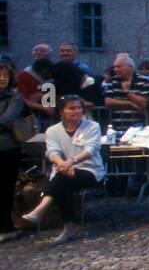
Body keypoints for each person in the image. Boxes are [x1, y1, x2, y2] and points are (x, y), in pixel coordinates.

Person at [22, 95, 105, 245]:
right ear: (61, 111)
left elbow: (91, 149)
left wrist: (70, 162)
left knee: (62, 179)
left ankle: (41, 210)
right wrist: (62, 164)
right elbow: (52, 152)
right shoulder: (52, 130)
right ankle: (68, 228)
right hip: (63, 170)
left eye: (79, 108)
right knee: (63, 181)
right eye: (72, 108)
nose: (77, 111)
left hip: (90, 169)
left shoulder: (92, 126)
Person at [0, 61, 27, 244]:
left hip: (6, 149)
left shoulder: (14, 97)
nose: (2, 79)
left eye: (5, 76)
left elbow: (7, 120)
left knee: (4, 189)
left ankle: (6, 227)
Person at [101, 53, 149, 132]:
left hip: (139, 127)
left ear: (130, 67)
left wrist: (127, 93)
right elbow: (108, 101)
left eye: (119, 66)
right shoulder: (113, 81)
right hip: (117, 127)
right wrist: (130, 103)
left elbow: (145, 103)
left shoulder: (144, 81)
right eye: (115, 67)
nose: (115, 69)